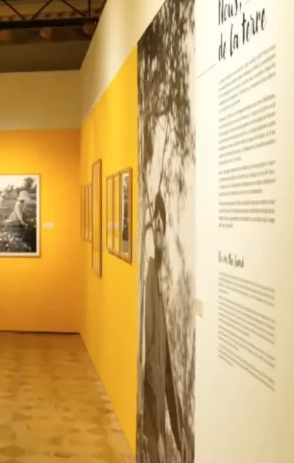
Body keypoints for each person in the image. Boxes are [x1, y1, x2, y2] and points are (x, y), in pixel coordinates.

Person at [139, 192, 187, 463]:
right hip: (154, 354)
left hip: (161, 352)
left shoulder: (161, 274)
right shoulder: (151, 276)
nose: (159, 232)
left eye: (162, 226)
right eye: (156, 225)